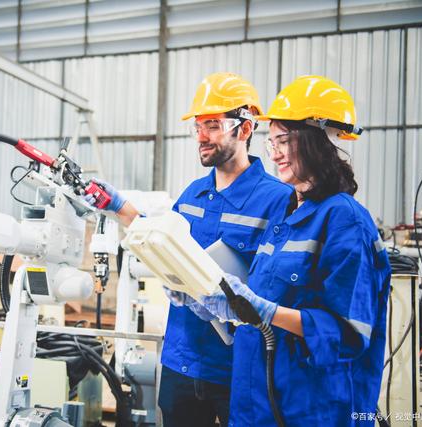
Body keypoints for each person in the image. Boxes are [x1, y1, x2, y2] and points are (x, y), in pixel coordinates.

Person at [85, 72, 292, 427]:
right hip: (181, 360)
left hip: (239, 367)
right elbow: (162, 241)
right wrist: (117, 205)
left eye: (212, 125)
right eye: (197, 127)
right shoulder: (193, 194)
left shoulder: (278, 199)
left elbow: (278, 288)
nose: (201, 137)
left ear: (244, 129)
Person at [191, 75, 391, 426]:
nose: (275, 152)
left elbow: (348, 333)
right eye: (272, 142)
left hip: (311, 409)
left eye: (284, 140)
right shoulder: (287, 214)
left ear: (318, 142)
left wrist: (263, 310)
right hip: (254, 405)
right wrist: (218, 302)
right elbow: (268, 298)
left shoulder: (344, 220)